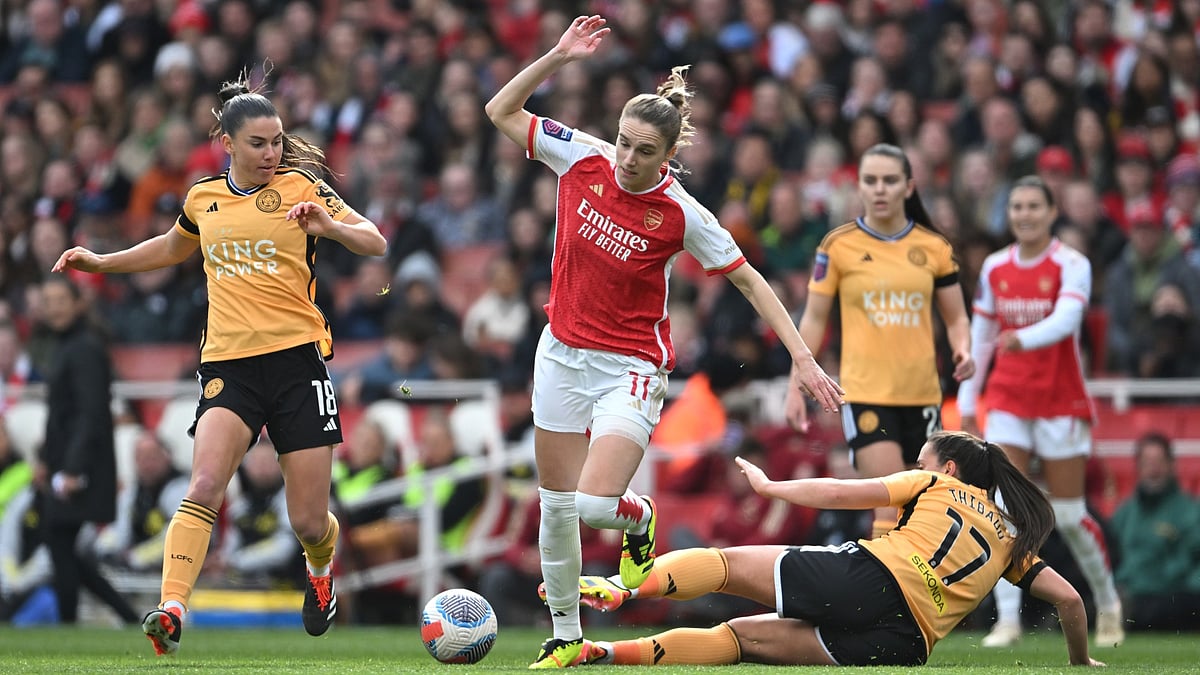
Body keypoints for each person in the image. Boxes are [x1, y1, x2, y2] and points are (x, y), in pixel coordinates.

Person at [485, 15, 843, 668]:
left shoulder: (682, 212)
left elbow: (752, 282)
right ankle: (566, 637)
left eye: (643, 151)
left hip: (630, 367)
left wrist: (801, 355)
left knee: (596, 505)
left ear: (668, 156)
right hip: (559, 355)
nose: (625, 158)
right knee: (556, 508)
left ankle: (638, 517)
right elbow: (499, 108)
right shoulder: (581, 155)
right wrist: (559, 57)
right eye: (622, 142)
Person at [52, 72, 387, 655]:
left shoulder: (302, 186)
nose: (272, 152)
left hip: (297, 365)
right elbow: (170, 248)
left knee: (309, 521)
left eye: (278, 141)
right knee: (205, 483)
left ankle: (320, 570)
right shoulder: (202, 198)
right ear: (227, 143)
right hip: (229, 366)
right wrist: (102, 265)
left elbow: (375, 241)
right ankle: (172, 609)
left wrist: (330, 227)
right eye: (259, 143)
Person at [565, 431, 1103, 668]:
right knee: (741, 639)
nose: (916, 467)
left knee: (727, 566)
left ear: (949, 469)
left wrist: (773, 489)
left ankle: (619, 587)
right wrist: (1079, 662)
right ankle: (603, 654)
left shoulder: (935, 486)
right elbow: (1072, 603)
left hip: (873, 580)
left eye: (921, 460)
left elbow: (841, 491)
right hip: (905, 644)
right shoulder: (1010, 538)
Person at [956, 176, 1124, 648]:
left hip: (1059, 399)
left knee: (1069, 515)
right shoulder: (994, 267)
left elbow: (1069, 319)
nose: (1025, 214)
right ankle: (1007, 620)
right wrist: (970, 403)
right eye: (1017, 207)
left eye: (1034, 206)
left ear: (1052, 213)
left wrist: (1022, 338)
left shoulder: (1072, 264)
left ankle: (1108, 603)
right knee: (1004, 509)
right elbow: (981, 338)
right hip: (1009, 396)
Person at [784, 142, 974, 539]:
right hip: (867, 395)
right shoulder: (838, 247)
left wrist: (963, 348)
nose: (880, 189)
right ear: (860, 188)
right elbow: (815, 317)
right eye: (871, 181)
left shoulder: (934, 247)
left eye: (890, 181)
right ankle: (885, 600)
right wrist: (795, 384)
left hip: (922, 395)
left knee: (924, 506)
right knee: (890, 499)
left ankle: (917, 597)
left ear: (909, 186)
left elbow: (956, 315)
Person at [32, 277, 140, 626]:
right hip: (67, 462)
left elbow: (90, 413)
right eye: (48, 301)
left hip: (81, 466)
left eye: (61, 299)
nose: (54, 307)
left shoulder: (84, 348)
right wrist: (47, 460)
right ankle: (127, 617)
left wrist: (72, 469)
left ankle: (69, 624)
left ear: (79, 303)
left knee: (57, 538)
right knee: (62, 545)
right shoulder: (67, 345)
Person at [1109, 432, 1200, 631]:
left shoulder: (1190, 512)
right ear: (1138, 467)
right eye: (1147, 462)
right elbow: (1109, 557)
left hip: (1172, 595)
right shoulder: (1124, 513)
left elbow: (1193, 563)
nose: (1153, 468)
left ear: (1171, 465)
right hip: (1128, 593)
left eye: (1159, 461)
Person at [92, 430, 190, 572]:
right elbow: (118, 530)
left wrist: (135, 557)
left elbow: (177, 537)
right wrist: (105, 549)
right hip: (140, 573)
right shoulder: (132, 493)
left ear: (167, 457)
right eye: (141, 458)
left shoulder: (182, 489)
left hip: (180, 570)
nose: (147, 464)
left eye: (152, 457)